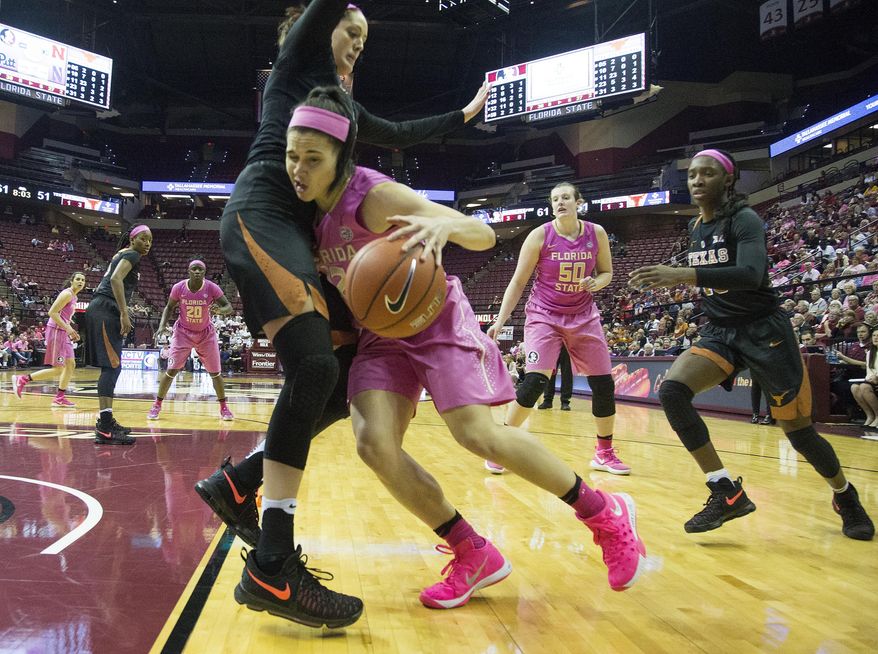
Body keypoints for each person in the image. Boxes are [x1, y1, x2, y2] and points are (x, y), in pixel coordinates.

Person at [200, 0, 491, 629]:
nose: (358, 42)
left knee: (342, 368)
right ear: (315, 28)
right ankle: (273, 566)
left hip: (297, 240)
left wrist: (461, 116)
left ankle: (239, 484)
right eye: (349, 31)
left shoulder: (344, 110)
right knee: (312, 368)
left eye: (365, 37)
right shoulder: (296, 64)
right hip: (264, 215)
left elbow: (399, 131)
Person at [299, 87, 647, 607]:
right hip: (380, 336)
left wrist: (445, 222)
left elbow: (482, 235)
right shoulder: (305, 215)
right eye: (291, 157)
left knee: (476, 435)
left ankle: (604, 513)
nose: (299, 169)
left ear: (341, 157)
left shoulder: (375, 195)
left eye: (313, 158)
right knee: (373, 443)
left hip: (434, 317)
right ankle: (472, 551)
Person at [629, 149, 873, 540]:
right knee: (673, 391)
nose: (697, 180)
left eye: (706, 173)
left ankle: (845, 495)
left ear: (728, 179)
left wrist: (681, 273)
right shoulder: (695, 228)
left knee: (799, 433)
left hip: (765, 332)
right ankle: (726, 491)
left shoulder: (745, 219)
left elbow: (750, 273)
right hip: (722, 330)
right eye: (691, 174)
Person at [487, 181, 630, 475]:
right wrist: (499, 321)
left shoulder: (596, 233)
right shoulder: (540, 236)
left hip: (583, 315)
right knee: (534, 383)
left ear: (578, 202)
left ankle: (604, 452)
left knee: (604, 384)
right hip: (544, 315)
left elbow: (606, 273)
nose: (560, 202)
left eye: (566, 197)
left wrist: (597, 282)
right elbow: (518, 282)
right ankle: (501, 446)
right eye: (555, 199)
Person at [84, 225, 152, 445]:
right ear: (132, 240)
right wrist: (124, 312)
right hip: (106, 308)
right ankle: (104, 427)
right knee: (112, 367)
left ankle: (107, 420)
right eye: (143, 238)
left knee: (113, 366)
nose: (147, 243)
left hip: (104, 307)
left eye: (150, 240)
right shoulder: (131, 254)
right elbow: (115, 280)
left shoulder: (121, 253)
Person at [147, 260, 235, 421]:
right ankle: (157, 405)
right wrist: (162, 324)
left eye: (200, 269)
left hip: (205, 334)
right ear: (188, 271)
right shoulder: (179, 288)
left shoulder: (211, 288)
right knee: (171, 371)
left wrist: (221, 310)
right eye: (194, 269)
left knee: (215, 373)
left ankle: (224, 408)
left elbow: (228, 306)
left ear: (204, 272)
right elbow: (169, 307)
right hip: (183, 333)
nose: (197, 272)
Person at [14, 273, 86, 406]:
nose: (80, 282)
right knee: (59, 368)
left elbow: (64, 317)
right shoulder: (67, 294)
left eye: (83, 280)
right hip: (56, 332)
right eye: (78, 279)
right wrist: (69, 329)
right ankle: (23, 379)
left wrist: (71, 330)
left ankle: (59, 398)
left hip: (64, 331)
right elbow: (52, 312)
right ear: (72, 281)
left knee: (71, 365)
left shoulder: (74, 297)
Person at [537, 345, 573, 411]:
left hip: (567, 343)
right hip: (552, 343)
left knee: (567, 374)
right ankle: (547, 400)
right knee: (549, 372)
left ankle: (565, 402)